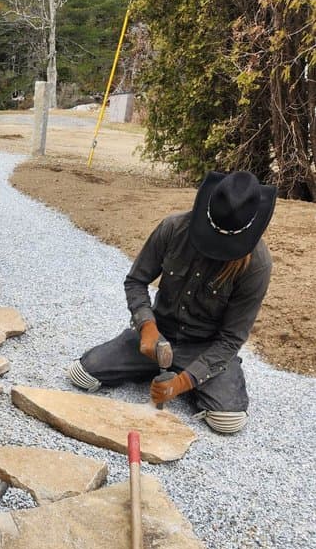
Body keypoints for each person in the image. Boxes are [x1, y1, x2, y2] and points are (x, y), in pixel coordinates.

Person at [68, 170, 276, 434]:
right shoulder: (174, 228)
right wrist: (146, 326)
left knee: (228, 422)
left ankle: (186, 379)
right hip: (159, 337)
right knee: (81, 375)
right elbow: (135, 281)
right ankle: (157, 368)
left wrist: (181, 383)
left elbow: (231, 339)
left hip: (204, 346)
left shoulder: (257, 264)